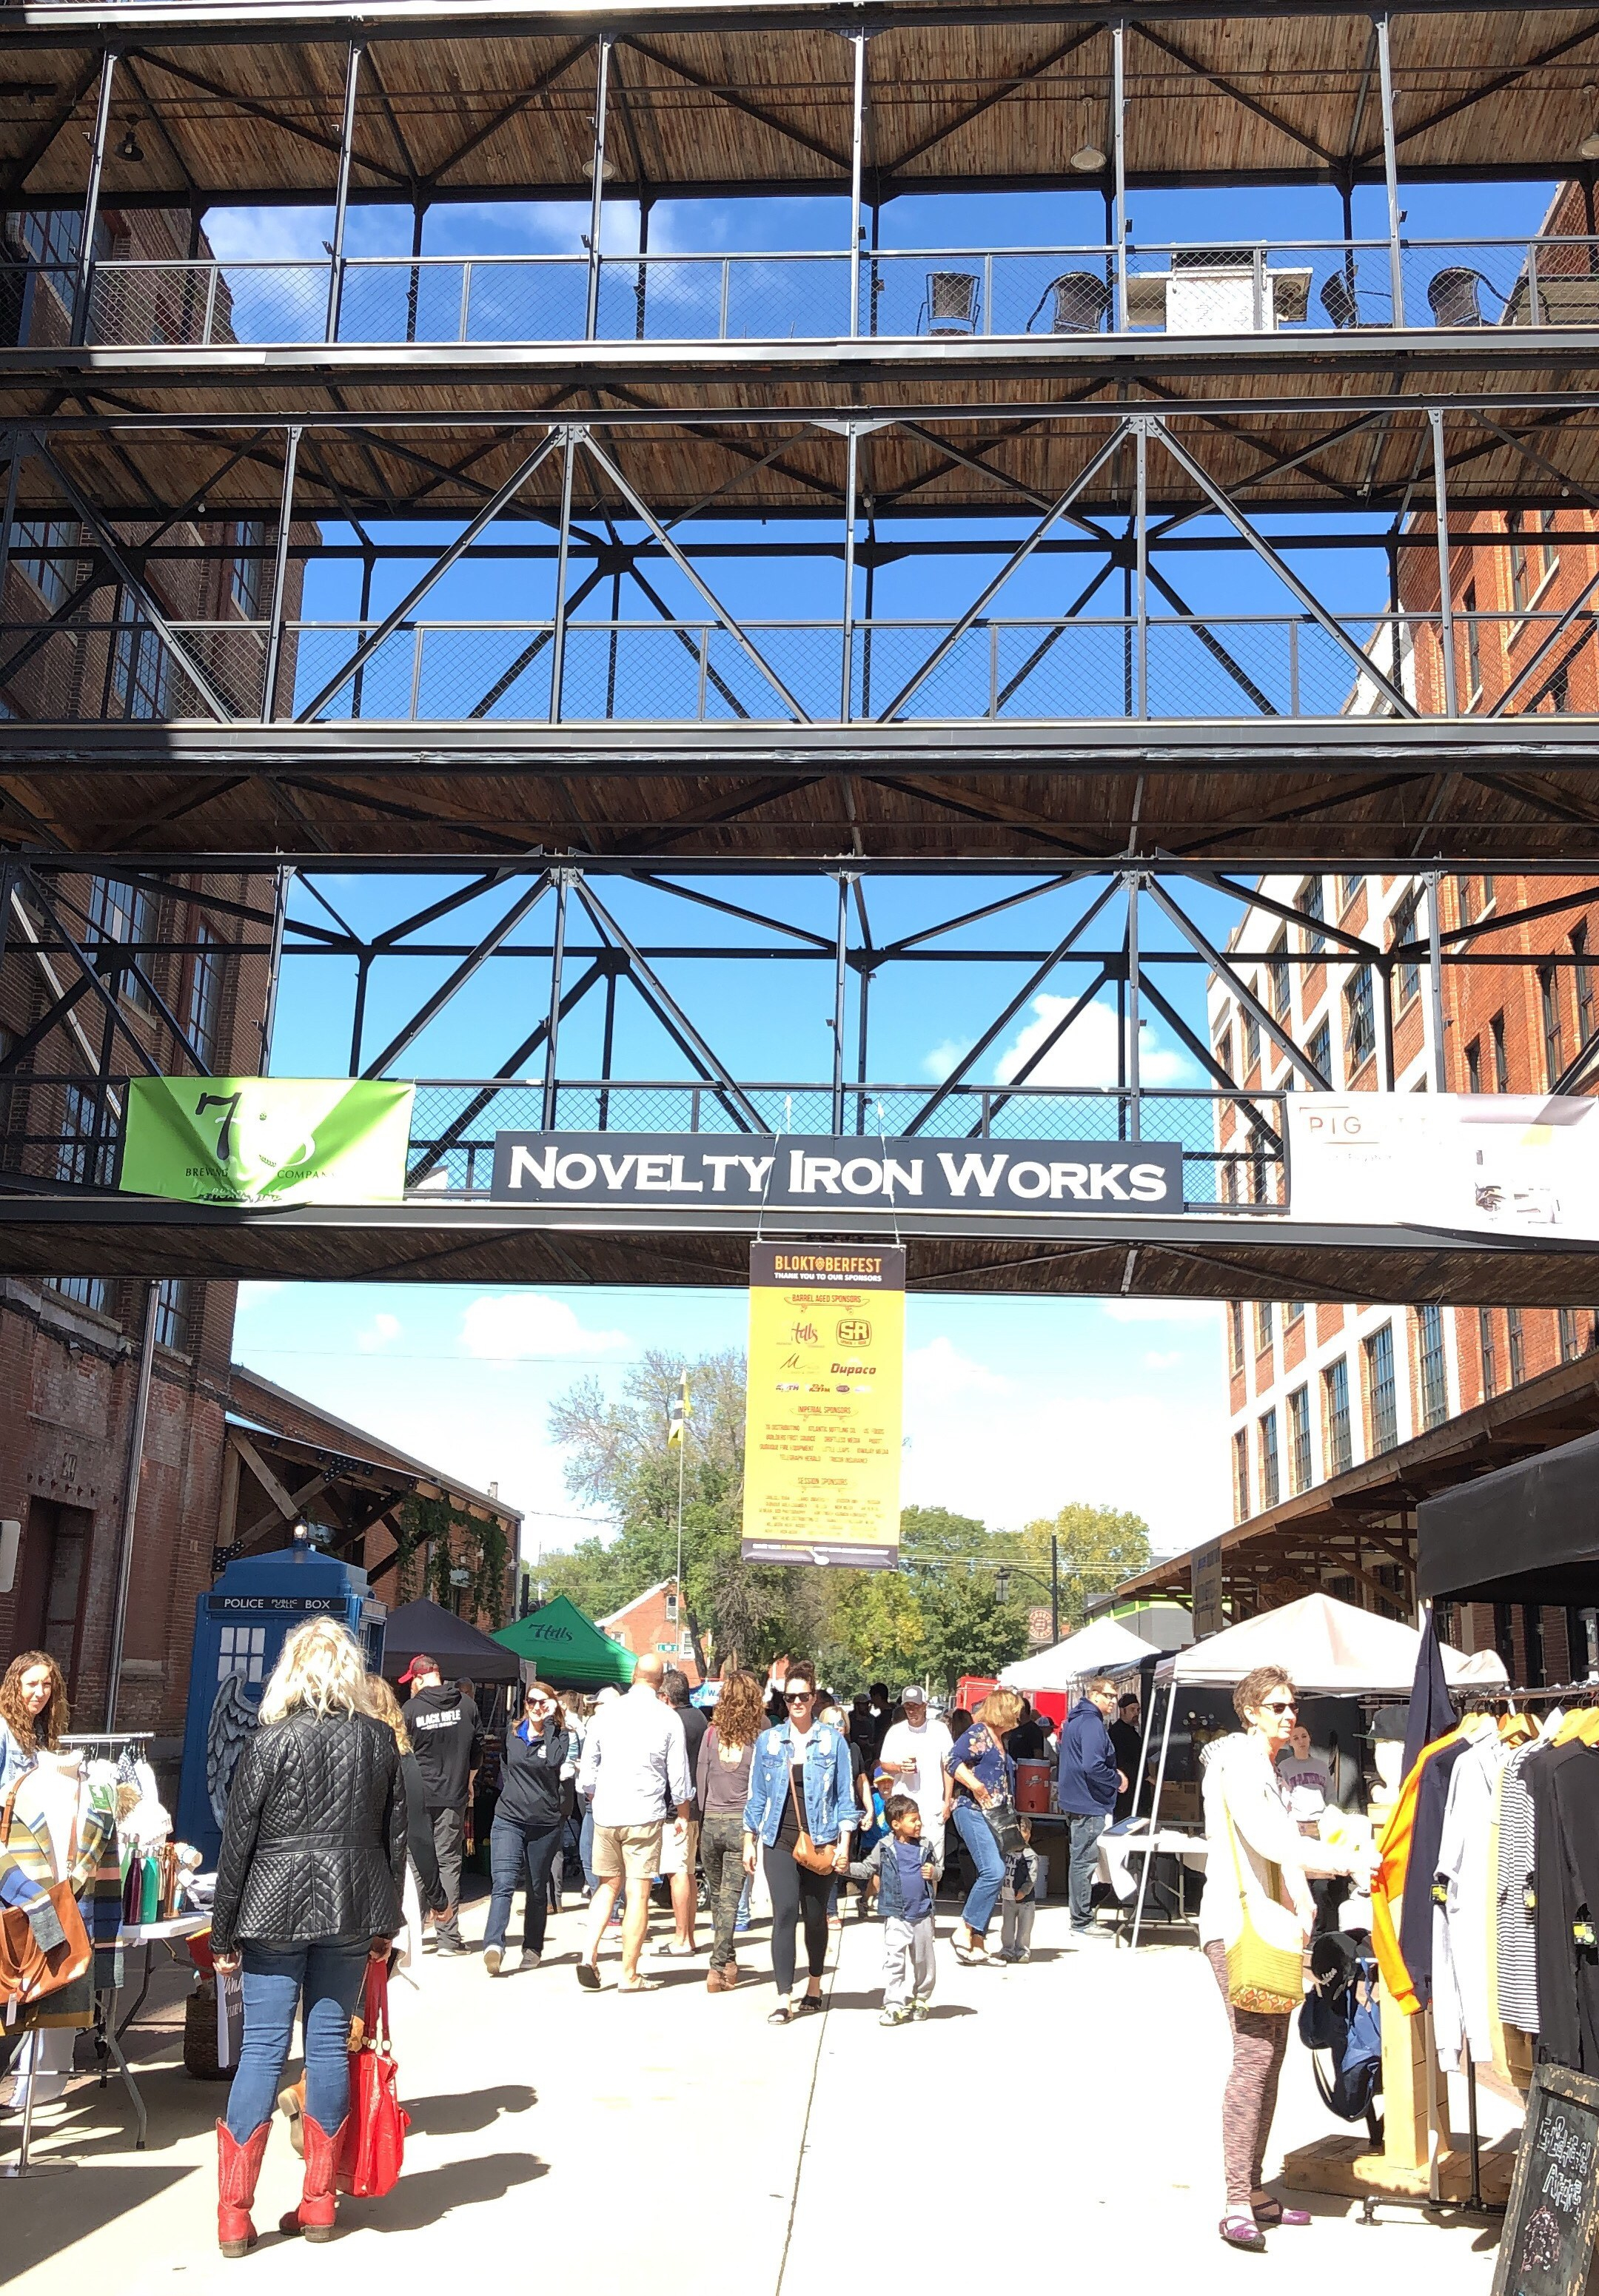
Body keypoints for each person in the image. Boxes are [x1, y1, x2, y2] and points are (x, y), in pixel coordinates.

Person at [210, 1618, 403, 2258]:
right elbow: (394, 1836)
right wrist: (385, 1924)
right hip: (351, 1904)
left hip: (272, 1905)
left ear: (290, 1669)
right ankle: (319, 2200)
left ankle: (234, 2215)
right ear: (350, 1671)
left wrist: (222, 1933)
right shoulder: (378, 1740)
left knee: (263, 2049)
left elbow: (238, 1843)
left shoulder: (269, 1742)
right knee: (326, 2047)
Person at [1200, 1663, 1360, 2253]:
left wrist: (1301, 1895)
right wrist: (1341, 1862)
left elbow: (1277, 1843)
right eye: (1277, 1706)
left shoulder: (1263, 1764)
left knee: (1271, 2056)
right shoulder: (1240, 1763)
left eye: (1293, 1706)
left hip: (1268, 1925)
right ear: (1250, 1712)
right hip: (1237, 1925)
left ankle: (1254, 2189)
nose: (1290, 1715)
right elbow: (1268, 1838)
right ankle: (1235, 2201)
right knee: (1254, 2056)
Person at [742, 1659, 855, 2024]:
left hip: (822, 1839)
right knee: (785, 1912)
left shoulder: (833, 1741)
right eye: (790, 1698)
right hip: (778, 1836)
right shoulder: (770, 1740)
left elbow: (845, 1797)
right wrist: (749, 1838)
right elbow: (757, 1795)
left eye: (803, 1697)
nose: (797, 1703)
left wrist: (844, 1844)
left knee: (816, 1916)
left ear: (814, 1697)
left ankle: (815, 1984)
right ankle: (783, 1997)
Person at [575, 1652, 691, 1993]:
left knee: (606, 1886)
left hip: (607, 1813)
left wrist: (594, 1795)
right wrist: (683, 1814)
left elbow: (587, 1771)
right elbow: (679, 1777)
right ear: (660, 1683)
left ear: (633, 1676)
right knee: (638, 1893)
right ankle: (629, 1974)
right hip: (644, 1814)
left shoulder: (606, 1714)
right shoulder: (668, 1718)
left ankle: (588, 1955)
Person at [483, 1679, 571, 1976]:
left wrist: (551, 1722)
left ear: (552, 1705)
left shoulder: (559, 1736)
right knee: (503, 1883)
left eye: (543, 1702)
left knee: (536, 1889)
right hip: (508, 1818)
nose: (536, 1707)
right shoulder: (512, 1732)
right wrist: (514, 1794)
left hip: (544, 1824)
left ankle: (532, 1947)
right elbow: (506, 1767)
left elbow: (555, 1760)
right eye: (531, 1701)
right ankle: (494, 1945)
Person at [398, 1654, 481, 1956]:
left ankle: (412, 1937)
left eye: (412, 1681)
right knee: (448, 1863)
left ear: (420, 1678)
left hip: (417, 1797)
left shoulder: (410, 1709)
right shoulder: (467, 1706)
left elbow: (401, 1755)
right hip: (452, 1796)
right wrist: (469, 1782)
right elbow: (477, 1751)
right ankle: (448, 1938)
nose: (412, 1686)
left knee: (417, 1864)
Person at [363, 1674, 447, 1968]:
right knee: (374, 1975)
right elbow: (418, 1831)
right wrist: (438, 1896)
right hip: (381, 1879)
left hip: (330, 1879)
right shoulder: (400, 1756)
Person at [697, 1669, 764, 1992]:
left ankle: (729, 1961)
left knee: (719, 1897)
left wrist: (699, 1820)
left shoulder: (710, 1735)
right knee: (730, 1900)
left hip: (710, 1821)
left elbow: (701, 1779)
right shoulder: (760, 1737)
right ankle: (717, 1967)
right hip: (741, 1824)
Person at [946, 1688, 1024, 1962]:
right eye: (1015, 1711)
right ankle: (964, 1929)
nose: (1019, 1716)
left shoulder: (999, 1739)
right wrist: (975, 1785)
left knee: (993, 1875)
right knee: (993, 1871)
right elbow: (952, 1761)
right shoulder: (979, 1732)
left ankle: (977, 1942)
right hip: (973, 1810)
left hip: (995, 1815)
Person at [849, 1793, 938, 2025]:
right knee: (894, 1962)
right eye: (913, 1820)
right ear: (896, 1825)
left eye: (919, 1819)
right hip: (897, 1915)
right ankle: (894, 2005)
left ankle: (921, 1999)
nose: (919, 1823)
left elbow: (938, 1870)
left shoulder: (926, 1846)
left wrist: (934, 1872)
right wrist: (845, 1868)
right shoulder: (885, 1847)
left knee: (924, 1962)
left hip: (922, 1914)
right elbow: (867, 1869)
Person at [1056, 1676, 1124, 1943]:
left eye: (1115, 1697)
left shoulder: (1076, 1720)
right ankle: (1082, 1920)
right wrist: (1116, 1779)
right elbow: (1092, 1765)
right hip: (1088, 1802)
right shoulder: (1092, 1723)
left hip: (1076, 1799)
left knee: (1079, 1859)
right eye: (1108, 1696)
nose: (1113, 1701)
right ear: (1094, 1695)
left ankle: (1080, 1917)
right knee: (1084, 1861)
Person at [875, 1685, 953, 1873]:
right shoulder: (896, 1731)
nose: (911, 1710)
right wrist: (899, 1767)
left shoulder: (939, 1730)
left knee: (933, 1864)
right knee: (903, 1861)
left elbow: (948, 1766)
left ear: (925, 1705)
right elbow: (884, 1763)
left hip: (932, 1805)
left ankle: (931, 1893)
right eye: (908, 1706)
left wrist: (947, 1800)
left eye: (916, 1706)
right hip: (904, 1806)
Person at [657, 1669, 706, 1957]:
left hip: (678, 1809)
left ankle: (681, 1939)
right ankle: (689, 1935)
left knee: (677, 1872)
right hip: (696, 1806)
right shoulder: (700, 1718)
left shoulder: (673, 1722)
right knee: (686, 1871)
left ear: (666, 1697)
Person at [0, 1650, 67, 1798]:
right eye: (32, 1684)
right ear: (15, 1687)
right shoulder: (3, 1728)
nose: (40, 1693)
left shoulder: (42, 1730)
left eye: (46, 1684)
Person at [999, 1816, 1040, 1962]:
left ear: (1028, 1835)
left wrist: (1024, 1890)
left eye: (1023, 1836)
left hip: (1025, 1900)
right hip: (1008, 1896)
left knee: (1025, 1928)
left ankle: (1023, 1951)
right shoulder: (1006, 1853)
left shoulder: (1030, 1856)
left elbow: (1032, 1877)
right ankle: (1007, 1950)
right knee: (1007, 1927)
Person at [1109, 1693, 1144, 1822]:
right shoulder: (1116, 1732)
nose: (1136, 1713)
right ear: (1123, 1711)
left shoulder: (1131, 1731)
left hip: (1136, 1787)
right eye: (1132, 1710)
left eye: (1138, 1710)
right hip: (1124, 1789)